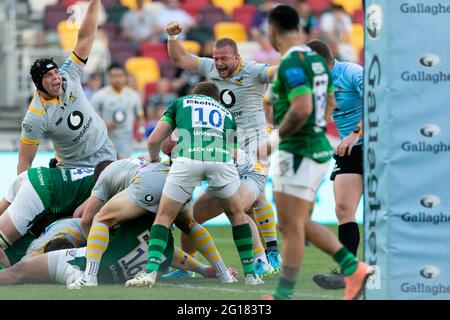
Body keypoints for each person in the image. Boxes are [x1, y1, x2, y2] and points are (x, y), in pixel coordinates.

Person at [259, 5, 372, 300]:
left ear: (272, 30)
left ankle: (288, 292)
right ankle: (352, 270)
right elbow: (327, 101)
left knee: (292, 222)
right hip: (328, 148)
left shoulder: (300, 63)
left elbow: (305, 108)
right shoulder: (307, 66)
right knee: (331, 213)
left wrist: (273, 140)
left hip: (313, 148)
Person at [125, 81, 263, 288]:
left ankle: (150, 273)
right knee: (237, 216)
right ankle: (251, 275)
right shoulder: (227, 114)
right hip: (221, 161)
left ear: (194, 94)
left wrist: (154, 159)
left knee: (163, 218)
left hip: (187, 160)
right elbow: (232, 151)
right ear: (216, 99)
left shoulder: (180, 102)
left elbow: (154, 139)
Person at [165, 20, 281, 265]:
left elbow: (274, 73)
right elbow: (182, 59)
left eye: (224, 59)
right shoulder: (210, 68)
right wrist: (173, 39)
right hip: (225, 143)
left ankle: (268, 254)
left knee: (247, 201)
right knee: (241, 204)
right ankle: (192, 264)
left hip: (254, 144)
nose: (219, 64)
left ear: (237, 57)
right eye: (216, 58)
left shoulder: (253, 71)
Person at [68, 155, 236, 288]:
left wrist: (96, 252)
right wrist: (202, 269)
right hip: (175, 179)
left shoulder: (104, 176)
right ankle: (223, 272)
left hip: (148, 183)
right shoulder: (129, 164)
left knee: (101, 219)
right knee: (189, 225)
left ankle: (89, 276)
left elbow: (86, 220)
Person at [19, 0, 116, 175]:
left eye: (56, 72)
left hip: (105, 151)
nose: (56, 77)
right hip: (73, 167)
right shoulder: (35, 116)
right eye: (49, 76)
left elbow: (86, 36)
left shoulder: (69, 74)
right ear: (39, 83)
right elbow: (25, 162)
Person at [0, 216, 226, 285]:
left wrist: (205, 269)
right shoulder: (163, 248)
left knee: (15, 274)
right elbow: (175, 256)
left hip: (75, 262)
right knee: (17, 274)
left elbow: (101, 221)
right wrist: (205, 269)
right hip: (86, 268)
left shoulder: (139, 218)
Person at [306, 39, 363, 290]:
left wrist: (356, 132)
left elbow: (381, 102)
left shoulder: (352, 73)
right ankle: (349, 272)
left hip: (380, 148)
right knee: (342, 208)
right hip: (348, 150)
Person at [179, 149, 277, 279]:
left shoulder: (209, 144)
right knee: (189, 220)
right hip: (222, 176)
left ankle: (261, 260)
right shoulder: (192, 146)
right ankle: (187, 267)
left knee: (234, 210)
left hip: (246, 173)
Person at [0, 162, 109, 256]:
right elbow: (79, 214)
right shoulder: (108, 185)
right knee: (1, 242)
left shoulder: (104, 170)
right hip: (41, 193)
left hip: (35, 175)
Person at [91, 62, 145, 159]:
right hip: (106, 139)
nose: (117, 79)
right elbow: (91, 119)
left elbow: (140, 116)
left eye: (120, 76)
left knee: (123, 166)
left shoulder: (133, 95)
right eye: (114, 76)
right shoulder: (99, 96)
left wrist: (141, 130)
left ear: (125, 76)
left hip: (126, 139)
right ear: (108, 77)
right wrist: (104, 126)